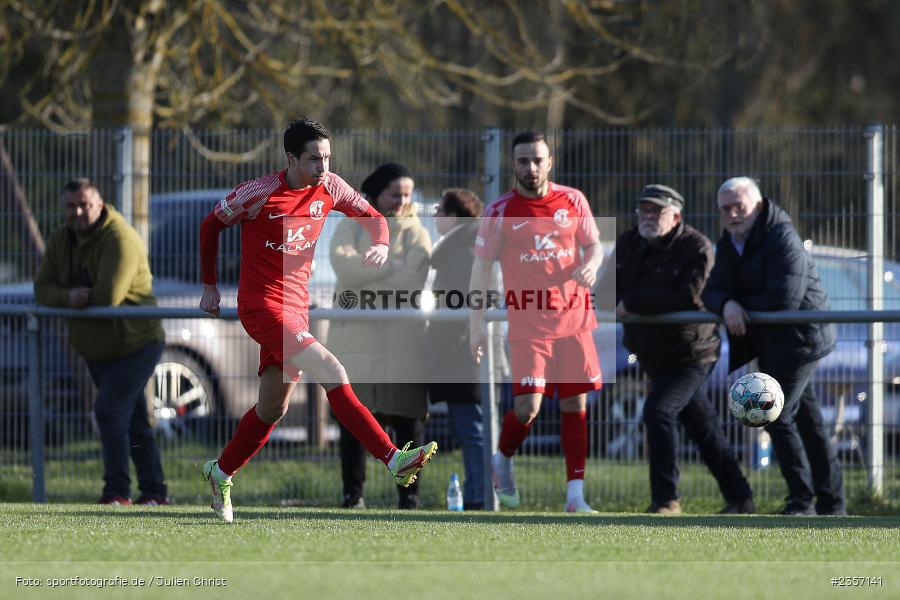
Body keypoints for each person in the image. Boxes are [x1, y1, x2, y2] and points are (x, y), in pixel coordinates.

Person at [197, 117, 437, 522]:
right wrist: (209, 286)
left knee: (272, 408)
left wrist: (381, 243)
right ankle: (393, 458)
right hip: (261, 305)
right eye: (313, 159)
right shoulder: (259, 193)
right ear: (291, 158)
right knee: (332, 369)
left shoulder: (331, 187)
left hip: (296, 309)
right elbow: (211, 225)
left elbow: (374, 217)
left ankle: (220, 472)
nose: (323, 166)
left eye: (327, 157)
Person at [469, 131, 604, 513]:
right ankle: (502, 459)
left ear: (550, 162)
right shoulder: (499, 212)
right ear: (512, 164)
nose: (531, 167)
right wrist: (475, 325)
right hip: (529, 326)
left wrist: (591, 266)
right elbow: (480, 272)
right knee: (528, 407)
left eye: (538, 160)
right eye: (523, 160)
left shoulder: (573, 200)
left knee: (574, 406)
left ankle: (575, 497)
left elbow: (594, 245)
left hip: (575, 320)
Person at [702, 176, 845, 516]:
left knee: (775, 413)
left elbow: (785, 300)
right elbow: (711, 290)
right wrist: (727, 305)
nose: (732, 214)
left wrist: (737, 304)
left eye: (739, 206)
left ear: (758, 205)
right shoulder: (729, 243)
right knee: (808, 421)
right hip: (773, 342)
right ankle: (832, 503)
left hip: (801, 338)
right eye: (725, 209)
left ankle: (802, 501)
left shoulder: (782, 237)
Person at [611, 184, 755, 515]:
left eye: (657, 211)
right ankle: (741, 498)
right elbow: (609, 289)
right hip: (651, 354)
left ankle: (666, 499)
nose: (648, 217)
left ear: (676, 216)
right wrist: (623, 300)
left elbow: (690, 297)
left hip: (693, 353)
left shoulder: (696, 246)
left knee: (658, 411)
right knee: (703, 428)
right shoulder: (628, 243)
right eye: (644, 210)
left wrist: (633, 302)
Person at [34, 178, 168, 505]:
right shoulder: (59, 239)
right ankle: (154, 492)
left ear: (99, 204)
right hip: (97, 351)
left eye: (84, 205)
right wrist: (68, 296)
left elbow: (108, 297)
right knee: (134, 421)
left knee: (108, 411)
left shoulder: (121, 239)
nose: (78, 212)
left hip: (136, 344)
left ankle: (116, 492)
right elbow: (41, 289)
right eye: (71, 206)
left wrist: (66, 297)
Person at [328, 162, 432, 509]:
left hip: (403, 345)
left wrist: (367, 270)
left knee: (408, 421)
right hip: (354, 344)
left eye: (407, 195)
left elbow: (413, 280)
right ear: (377, 192)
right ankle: (352, 494)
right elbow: (343, 267)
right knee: (354, 421)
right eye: (395, 194)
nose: (402, 201)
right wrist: (391, 265)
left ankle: (409, 497)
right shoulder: (350, 225)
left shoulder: (418, 233)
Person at [426, 188, 486, 510]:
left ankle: (479, 494)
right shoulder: (459, 250)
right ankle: (478, 491)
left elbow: (463, 310)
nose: (435, 217)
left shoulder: (463, 253)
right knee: (468, 428)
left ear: (452, 216)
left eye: (439, 210)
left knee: (471, 429)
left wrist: (447, 346)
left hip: (463, 356)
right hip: (458, 354)